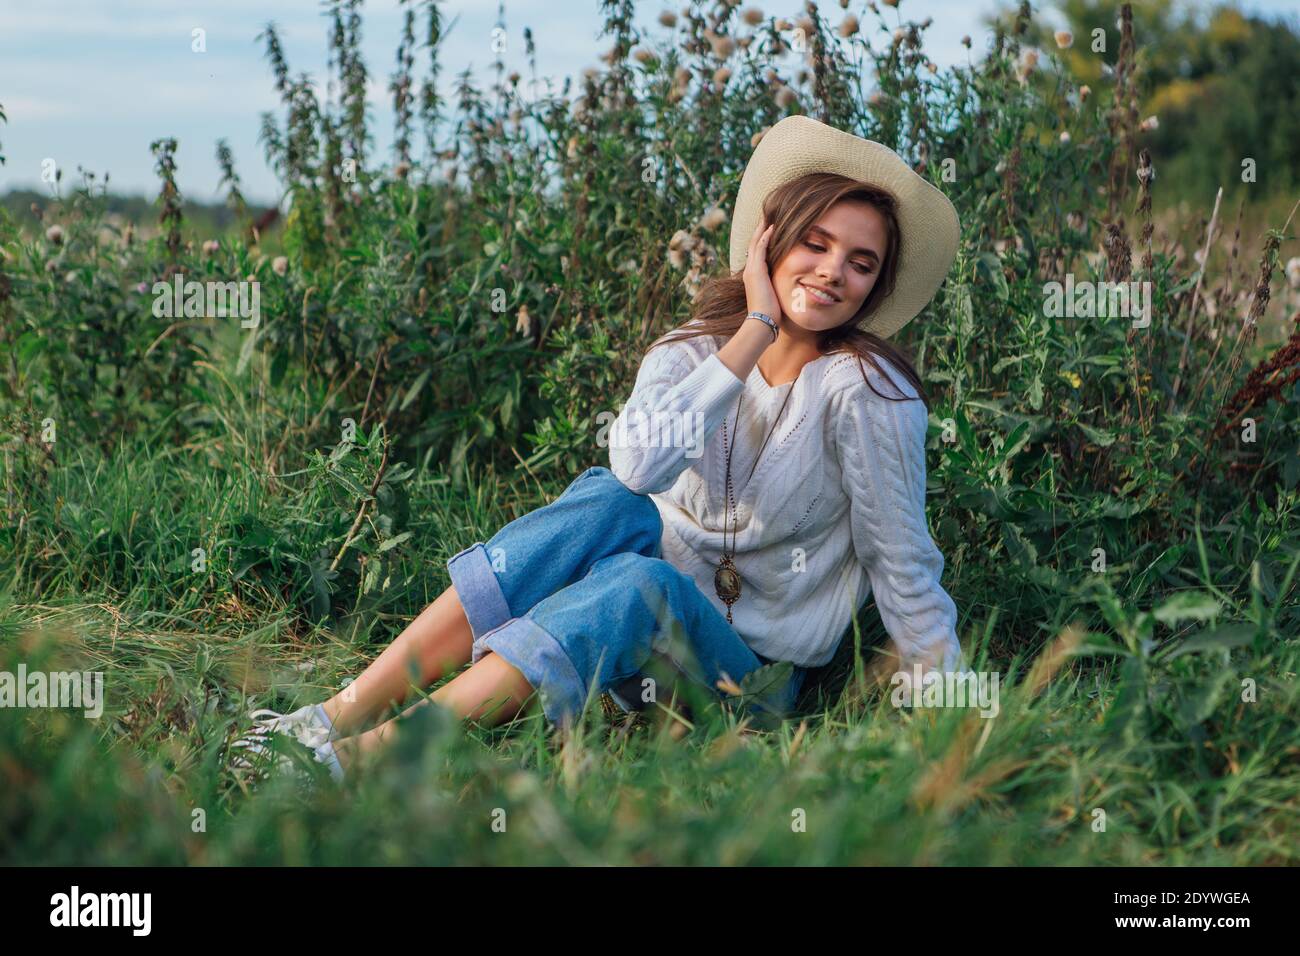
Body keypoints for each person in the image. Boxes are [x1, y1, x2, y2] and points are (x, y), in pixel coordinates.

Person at [228, 115, 967, 784]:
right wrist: (753, 332)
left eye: (860, 262)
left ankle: (362, 762)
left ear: (873, 288)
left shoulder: (865, 392)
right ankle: (330, 718)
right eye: (815, 243)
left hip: (747, 689)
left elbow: (901, 562)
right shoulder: (693, 355)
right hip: (631, 657)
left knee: (644, 585)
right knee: (610, 504)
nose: (834, 271)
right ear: (767, 242)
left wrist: (949, 723)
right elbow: (637, 469)